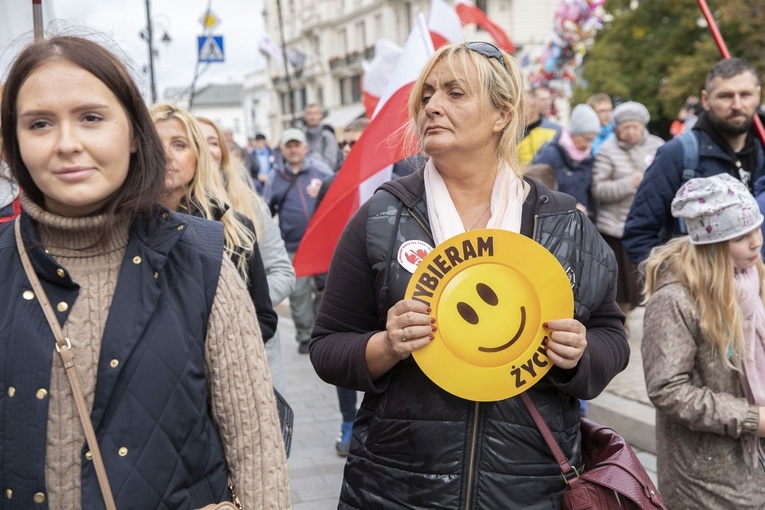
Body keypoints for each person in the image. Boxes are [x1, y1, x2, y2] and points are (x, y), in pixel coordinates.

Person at [309, 41, 628, 509]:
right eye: (428, 95)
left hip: (528, 486)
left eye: (455, 93)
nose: (432, 106)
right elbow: (327, 347)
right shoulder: (382, 217)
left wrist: (581, 354)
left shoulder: (562, 222)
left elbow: (611, 337)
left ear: (502, 114)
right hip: (399, 488)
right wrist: (386, 345)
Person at [0, 35, 289, 508]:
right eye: (39, 124)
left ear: (134, 133)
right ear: (14, 143)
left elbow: (258, 454)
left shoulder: (201, 259)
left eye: (91, 118)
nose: (67, 144)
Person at [642, 174, 765, 509]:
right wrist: (754, 418)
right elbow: (667, 389)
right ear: (713, 244)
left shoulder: (752, 278)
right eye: (742, 236)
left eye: (757, 228)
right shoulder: (675, 300)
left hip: (752, 464)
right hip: (702, 474)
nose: (756, 242)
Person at [151, 104, 278, 345]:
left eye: (179, 145)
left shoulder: (235, 230)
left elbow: (263, 318)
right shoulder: (120, 229)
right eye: (155, 145)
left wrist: (213, 348)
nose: (166, 154)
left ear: (198, 156)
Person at [623, 58, 765, 264]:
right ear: (706, 100)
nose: (737, 105)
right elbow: (638, 234)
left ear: (758, 95)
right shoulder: (677, 155)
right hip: (701, 291)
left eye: (745, 95)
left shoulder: (761, 150)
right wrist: (677, 285)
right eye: (725, 96)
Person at [196, 116, 296, 396]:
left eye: (213, 142)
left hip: (255, 358)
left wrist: (240, 305)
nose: (205, 148)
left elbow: (283, 274)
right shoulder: (168, 213)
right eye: (194, 140)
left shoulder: (250, 205)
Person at [591, 101, 664, 317]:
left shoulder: (658, 145)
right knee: (620, 287)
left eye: (635, 127)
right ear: (617, 129)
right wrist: (629, 183)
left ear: (643, 127)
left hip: (651, 226)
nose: (631, 132)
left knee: (651, 279)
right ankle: (621, 327)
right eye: (625, 128)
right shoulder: (607, 150)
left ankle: (656, 319)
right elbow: (598, 190)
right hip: (616, 229)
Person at [265, 128, 331, 353]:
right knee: (298, 292)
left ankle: (321, 329)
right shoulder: (276, 177)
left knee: (326, 288)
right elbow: (266, 208)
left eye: (297, 145)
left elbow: (336, 194)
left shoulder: (321, 171)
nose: (293, 150)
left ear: (305, 148)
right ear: (283, 149)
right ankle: (305, 336)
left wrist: (324, 191)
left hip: (322, 243)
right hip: (293, 245)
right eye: (289, 146)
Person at [531, 103, 601, 218]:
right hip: (555, 220)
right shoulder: (550, 154)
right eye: (586, 139)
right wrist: (570, 208)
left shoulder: (588, 158)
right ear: (574, 134)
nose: (588, 145)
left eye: (592, 140)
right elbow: (539, 192)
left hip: (577, 222)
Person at [518, 89, 561, 165]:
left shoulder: (556, 131)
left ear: (533, 107)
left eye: (549, 99)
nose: (548, 103)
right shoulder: (513, 133)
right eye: (543, 100)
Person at [303, 103, 339, 170]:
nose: (312, 117)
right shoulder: (302, 137)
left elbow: (330, 163)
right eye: (309, 114)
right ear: (305, 116)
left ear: (321, 115)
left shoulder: (328, 137)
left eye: (315, 113)